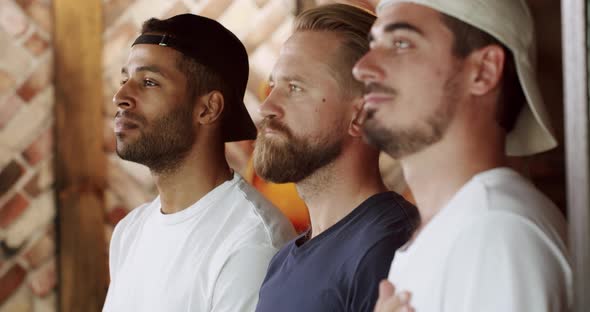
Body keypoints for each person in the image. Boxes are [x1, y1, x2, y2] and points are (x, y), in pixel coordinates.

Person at [352, 0, 572, 311]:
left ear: (483, 71)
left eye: (401, 43)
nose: (362, 67)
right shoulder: (462, 229)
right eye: (373, 44)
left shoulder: (496, 234)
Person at [103, 14, 296, 311]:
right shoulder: (129, 232)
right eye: (124, 80)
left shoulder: (252, 243)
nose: (121, 97)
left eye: (149, 82)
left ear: (208, 108)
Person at [253, 4, 419, 312]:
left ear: (361, 114)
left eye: (294, 87)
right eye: (274, 85)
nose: (266, 106)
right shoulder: (282, 262)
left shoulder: (389, 248)